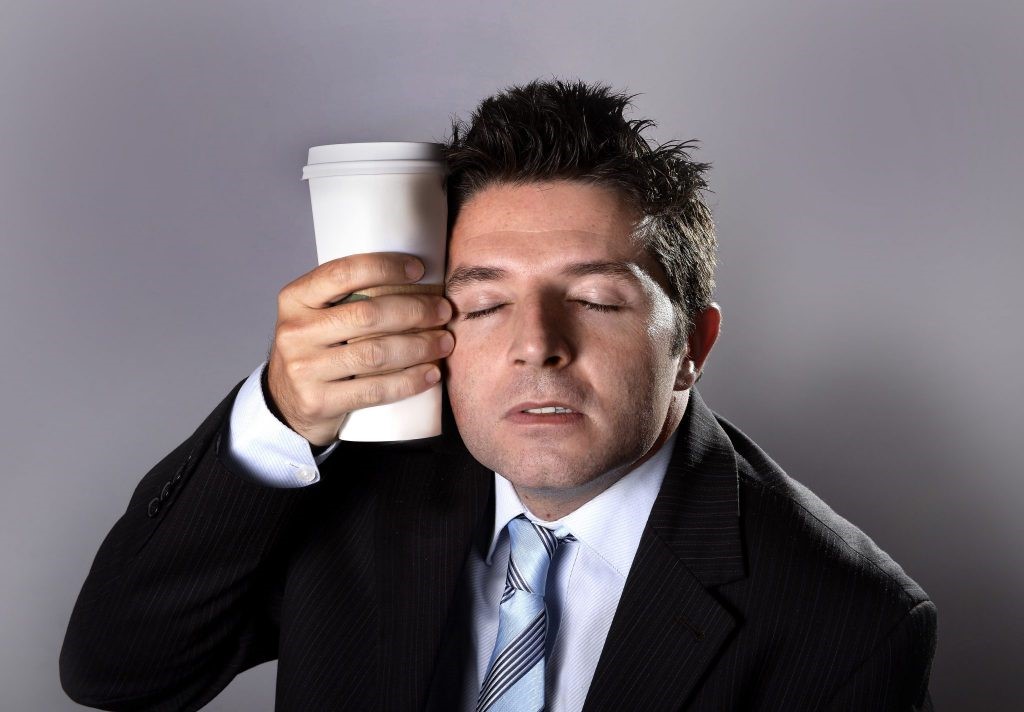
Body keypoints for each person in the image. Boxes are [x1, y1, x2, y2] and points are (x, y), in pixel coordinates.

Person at [60, 79, 936, 711]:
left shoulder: (851, 624)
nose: (536, 348)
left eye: (596, 300)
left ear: (691, 350)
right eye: (483, 303)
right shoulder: (357, 485)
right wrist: (283, 419)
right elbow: (119, 672)